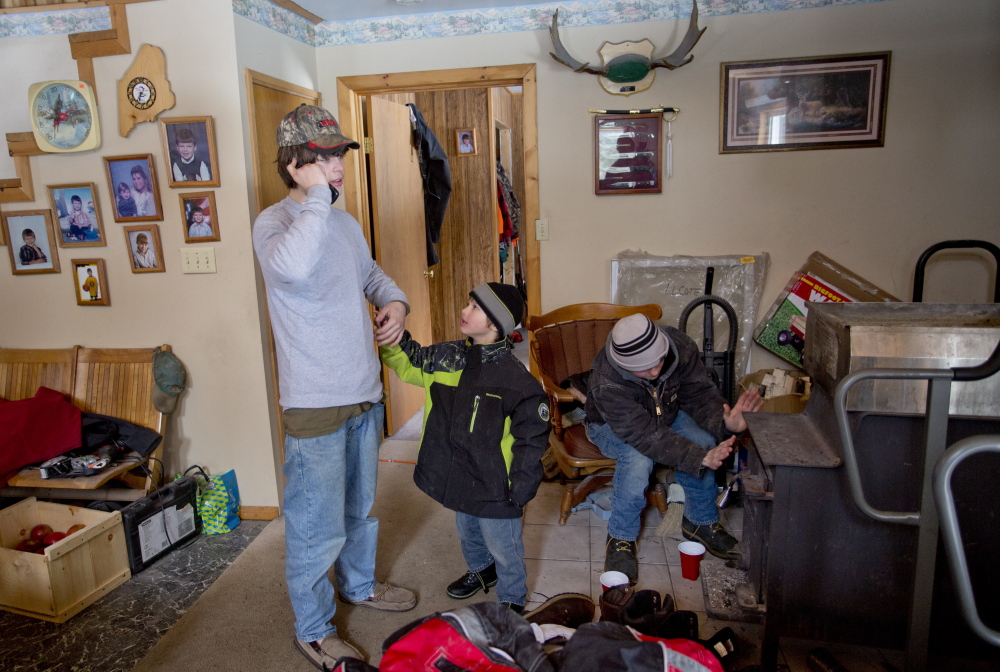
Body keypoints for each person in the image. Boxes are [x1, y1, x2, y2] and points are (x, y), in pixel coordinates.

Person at [251, 103, 416, 670]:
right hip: (314, 403)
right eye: (324, 158)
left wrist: (395, 301)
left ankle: (359, 585)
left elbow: (370, 275)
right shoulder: (275, 225)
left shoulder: (345, 224)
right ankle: (315, 630)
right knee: (314, 526)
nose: (339, 166)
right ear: (294, 164)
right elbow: (293, 270)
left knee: (359, 509)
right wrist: (318, 197)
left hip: (363, 392)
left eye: (340, 155)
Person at [380, 283, 549, 614]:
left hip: (497, 484)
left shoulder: (517, 381)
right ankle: (481, 569)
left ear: (495, 323)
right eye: (467, 303)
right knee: (468, 531)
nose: (464, 310)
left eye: (474, 307)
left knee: (504, 544)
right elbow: (411, 362)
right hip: (459, 471)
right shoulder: (447, 357)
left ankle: (513, 598)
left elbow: (531, 439)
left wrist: (520, 488)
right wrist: (392, 335)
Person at [584, 314, 763, 582]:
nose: (655, 371)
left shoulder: (679, 346)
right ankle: (621, 538)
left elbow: (699, 395)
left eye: (659, 360)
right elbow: (645, 436)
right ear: (623, 365)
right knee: (638, 459)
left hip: (665, 413)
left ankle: (700, 523)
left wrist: (725, 422)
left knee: (702, 440)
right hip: (610, 426)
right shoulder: (606, 380)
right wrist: (699, 458)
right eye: (644, 369)